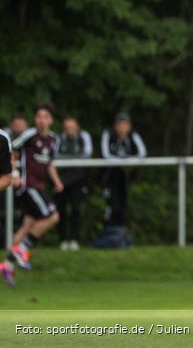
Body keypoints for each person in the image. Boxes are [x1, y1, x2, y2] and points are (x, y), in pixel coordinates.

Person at [2, 103, 64, 289]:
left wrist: (57, 181)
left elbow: (49, 163)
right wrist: (13, 175)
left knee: (28, 225)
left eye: (45, 116)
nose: (42, 120)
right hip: (28, 186)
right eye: (38, 116)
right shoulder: (29, 135)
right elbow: (11, 151)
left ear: (51, 120)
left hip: (40, 186)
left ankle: (7, 265)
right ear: (35, 119)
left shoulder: (54, 139)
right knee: (52, 216)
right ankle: (22, 250)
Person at [95, 112, 146, 248]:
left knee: (122, 208)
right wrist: (124, 160)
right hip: (109, 178)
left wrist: (126, 161)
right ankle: (107, 238)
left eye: (126, 124)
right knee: (111, 208)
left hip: (125, 177)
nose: (123, 127)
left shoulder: (133, 136)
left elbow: (142, 153)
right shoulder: (108, 135)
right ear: (116, 125)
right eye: (120, 124)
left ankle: (119, 239)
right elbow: (106, 155)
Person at [55, 116, 93, 250]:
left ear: (77, 126)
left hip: (79, 178)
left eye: (72, 127)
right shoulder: (59, 138)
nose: (70, 130)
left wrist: (69, 157)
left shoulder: (84, 136)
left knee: (76, 209)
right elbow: (55, 155)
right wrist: (74, 156)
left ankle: (75, 240)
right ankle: (63, 240)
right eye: (67, 127)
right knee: (61, 209)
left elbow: (87, 154)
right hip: (62, 178)